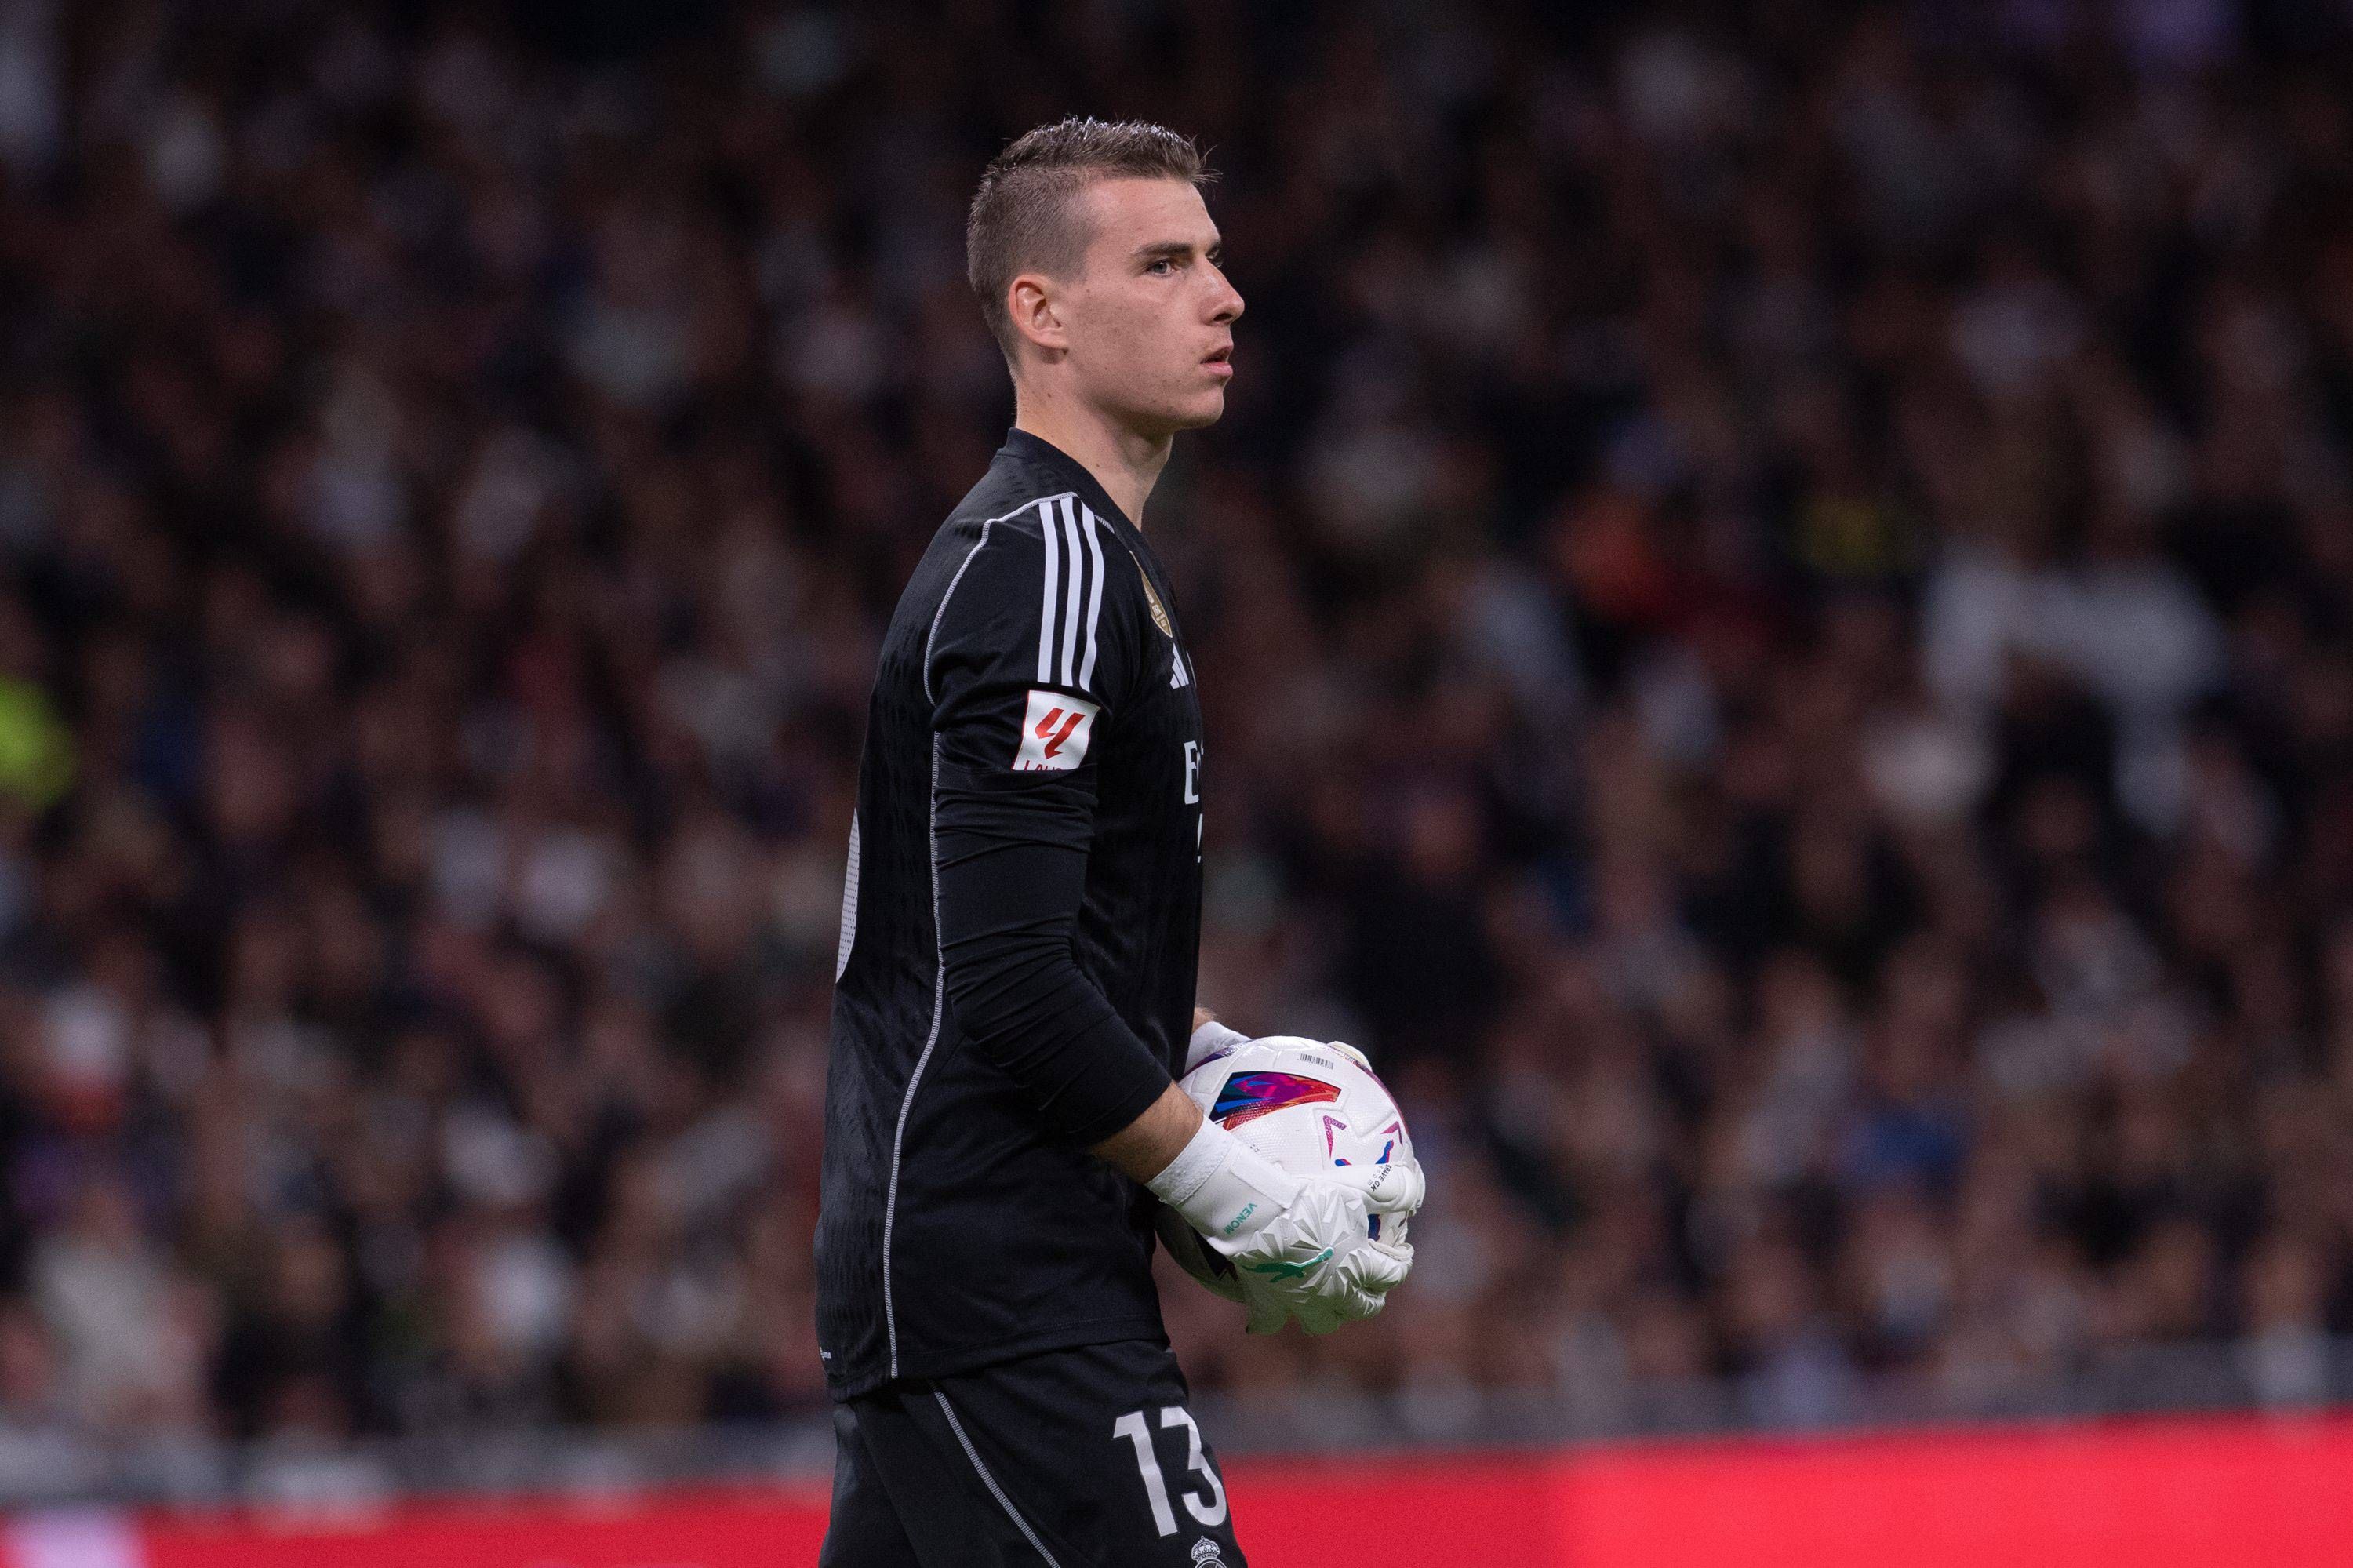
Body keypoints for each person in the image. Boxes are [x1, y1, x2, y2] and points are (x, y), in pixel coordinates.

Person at [813, 118, 1424, 1566]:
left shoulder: (1062, 558)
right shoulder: (1051, 562)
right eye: (1163, 262)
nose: (1223, 295)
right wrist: (1237, 1186)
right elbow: (1011, 989)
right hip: (1012, 1297)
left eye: (1214, 259)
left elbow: (981, 931)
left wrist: (1198, 1045)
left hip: (964, 1281)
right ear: (1043, 313)